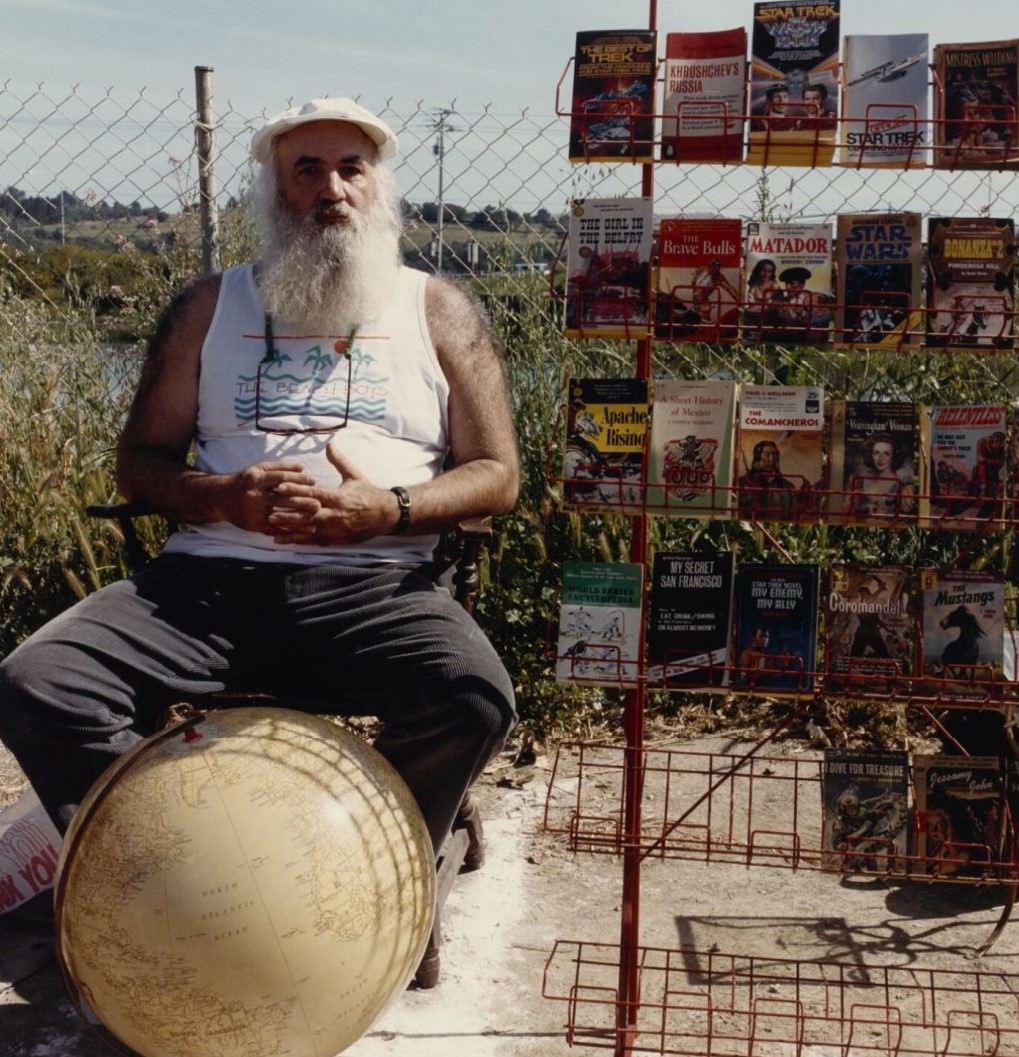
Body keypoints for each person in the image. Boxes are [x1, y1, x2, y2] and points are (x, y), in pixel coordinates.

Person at [0, 98, 520, 862]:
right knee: (37, 681)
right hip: (204, 586)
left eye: (351, 168)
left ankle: (371, 870)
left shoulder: (439, 311)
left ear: (379, 187)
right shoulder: (208, 308)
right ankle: (170, 862)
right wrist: (219, 497)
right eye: (306, 170)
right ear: (275, 192)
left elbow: (497, 475)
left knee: (473, 701)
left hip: (375, 590)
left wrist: (388, 509)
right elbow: (139, 459)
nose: (330, 188)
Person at [851, 433, 915, 518]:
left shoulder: (900, 482)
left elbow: (905, 511)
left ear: (893, 457)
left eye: (886, 453)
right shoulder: (863, 478)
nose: (881, 458)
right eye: (876, 453)